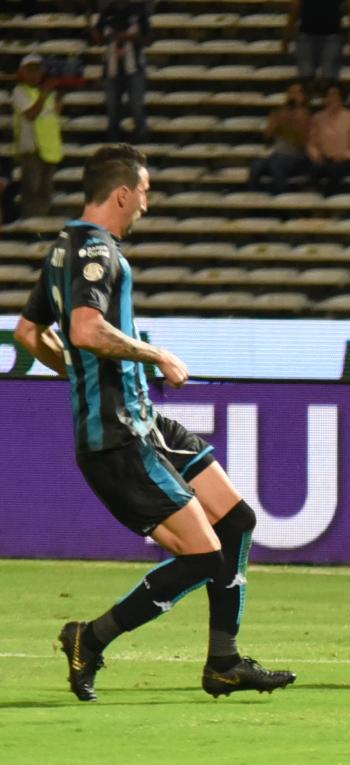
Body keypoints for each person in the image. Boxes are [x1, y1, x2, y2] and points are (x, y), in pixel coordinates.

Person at [12, 144, 296, 702]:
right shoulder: (98, 253)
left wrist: (78, 375)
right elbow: (87, 329)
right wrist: (156, 354)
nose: (147, 202)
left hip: (144, 421)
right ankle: (90, 638)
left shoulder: (61, 250)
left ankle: (224, 662)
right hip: (116, 436)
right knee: (203, 556)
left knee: (235, 520)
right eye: (143, 191)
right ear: (122, 193)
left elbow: (27, 332)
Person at [11, 54, 64, 219]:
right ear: (22, 72)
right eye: (30, 70)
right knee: (31, 190)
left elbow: (55, 114)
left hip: (49, 147)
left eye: (37, 70)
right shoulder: (19, 92)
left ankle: (41, 224)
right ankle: (29, 223)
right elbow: (31, 115)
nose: (34, 74)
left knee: (45, 190)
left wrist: (57, 95)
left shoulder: (49, 93)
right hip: (30, 147)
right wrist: (44, 94)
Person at [93, 0, 151, 142]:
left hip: (134, 68)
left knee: (137, 107)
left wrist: (128, 37)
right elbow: (99, 40)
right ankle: (114, 140)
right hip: (112, 69)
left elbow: (148, 39)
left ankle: (142, 139)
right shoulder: (107, 13)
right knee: (112, 109)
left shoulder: (139, 11)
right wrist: (91, 27)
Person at [248, 82, 313, 195]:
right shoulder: (279, 112)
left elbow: (303, 144)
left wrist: (289, 125)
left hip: (298, 158)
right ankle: (255, 200)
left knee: (277, 165)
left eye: (297, 93)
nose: (293, 95)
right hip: (278, 155)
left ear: (304, 96)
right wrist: (273, 124)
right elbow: (267, 137)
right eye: (291, 92)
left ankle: (280, 203)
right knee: (256, 166)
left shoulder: (306, 115)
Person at [307, 85, 350, 196]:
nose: (331, 99)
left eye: (335, 96)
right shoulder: (317, 118)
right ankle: (315, 203)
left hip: (345, 160)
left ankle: (331, 203)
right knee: (313, 171)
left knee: (334, 172)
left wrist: (344, 155)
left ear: (341, 99)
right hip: (324, 159)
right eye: (329, 96)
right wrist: (316, 156)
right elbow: (311, 144)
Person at [285, 0, 346, 94]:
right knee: (306, 79)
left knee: (329, 80)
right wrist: (288, 31)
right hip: (309, 33)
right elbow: (296, 4)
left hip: (330, 34)